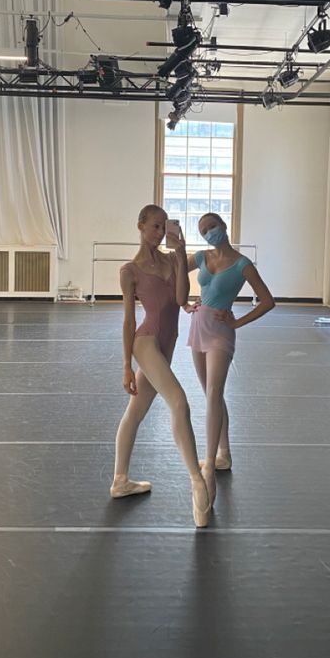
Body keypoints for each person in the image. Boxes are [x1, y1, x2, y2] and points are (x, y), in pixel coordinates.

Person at [111, 204, 211, 528]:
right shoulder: (130, 271)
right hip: (147, 341)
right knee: (179, 403)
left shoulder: (171, 260)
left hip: (166, 345)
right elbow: (129, 321)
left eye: (163, 227)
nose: (159, 233)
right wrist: (127, 365)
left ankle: (120, 480)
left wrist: (181, 253)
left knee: (135, 412)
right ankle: (197, 482)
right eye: (154, 226)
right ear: (140, 226)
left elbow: (182, 297)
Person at [185, 212, 275, 508]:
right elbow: (172, 270)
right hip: (198, 326)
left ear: (223, 226)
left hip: (221, 332)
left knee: (214, 394)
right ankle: (224, 452)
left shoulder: (241, 264)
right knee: (212, 394)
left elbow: (267, 300)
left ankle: (209, 463)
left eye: (211, 226)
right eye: (203, 230)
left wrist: (237, 323)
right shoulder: (200, 257)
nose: (208, 232)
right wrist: (183, 300)